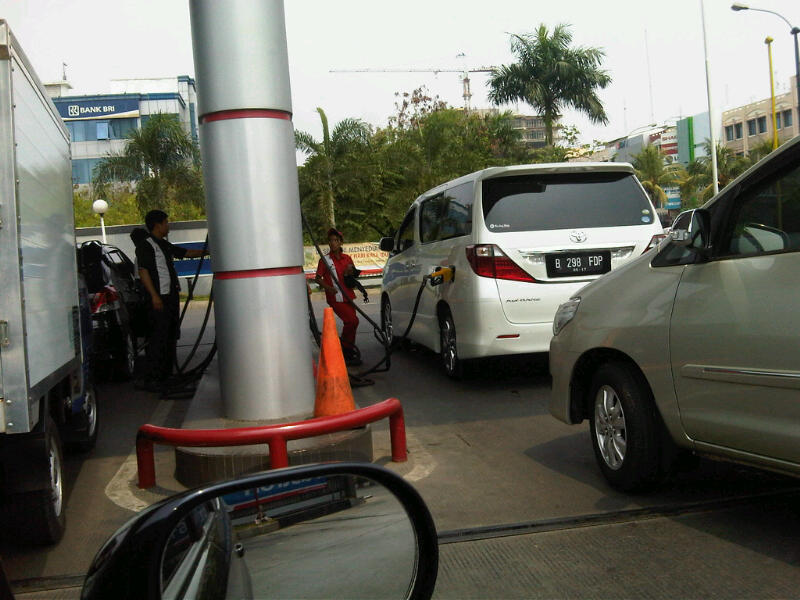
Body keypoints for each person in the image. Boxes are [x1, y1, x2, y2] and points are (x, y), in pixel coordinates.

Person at [134, 210, 208, 391]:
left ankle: (166, 375)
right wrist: (154, 296)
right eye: (166, 222)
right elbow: (143, 271)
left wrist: (207, 250)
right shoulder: (146, 246)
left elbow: (185, 252)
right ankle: (155, 378)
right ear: (157, 225)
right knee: (158, 337)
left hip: (170, 298)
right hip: (159, 298)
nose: (168, 226)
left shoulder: (164, 245)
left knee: (170, 336)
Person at [315, 228, 361, 365]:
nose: (333, 243)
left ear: (341, 242)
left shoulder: (347, 258)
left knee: (353, 322)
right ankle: (346, 349)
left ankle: (348, 349)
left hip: (348, 295)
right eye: (330, 240)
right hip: (335, 298)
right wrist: (329, 288)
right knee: (352, 321)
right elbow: (317, 278)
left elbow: (352, 276)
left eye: (335, 240)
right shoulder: (325, 260)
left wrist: (350, 273)